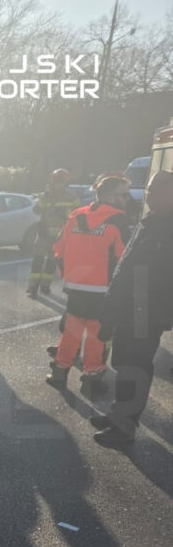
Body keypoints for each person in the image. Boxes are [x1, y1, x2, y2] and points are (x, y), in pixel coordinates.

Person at [91, 170, 173, 446]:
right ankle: (118, 414)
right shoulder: (151, 221)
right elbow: (128, 266)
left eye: (152, 190)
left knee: (135, 367)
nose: (146, 194)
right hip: (130, 307)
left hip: (146, 312)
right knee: (123, 362)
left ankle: (124, 426)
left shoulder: (168, 226)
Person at [45, 175, 131, 397]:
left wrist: (69, 277)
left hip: (75, 287)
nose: (127, 198)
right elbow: (126, 260)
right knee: (98, 335)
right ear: (111, 197)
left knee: (71, 332)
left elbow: (58, 249)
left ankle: (59, 374)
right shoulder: (118, 222)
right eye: (124, 194)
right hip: (104, 290)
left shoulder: (76, 216)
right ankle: (91, 381)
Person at [27, 168, 79, 297]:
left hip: (60, 235)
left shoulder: (71, 197)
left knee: (51, 262)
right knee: (37, 260)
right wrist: (43, 198)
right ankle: (32, 288)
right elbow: (36, 210)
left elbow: (77, 215)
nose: (59, 184)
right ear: (53, 182)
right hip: (43, 233)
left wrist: (65, 217)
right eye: (57, 182)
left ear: (66, 183)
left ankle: (45, 286)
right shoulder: (46, 196)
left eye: (61, 182)